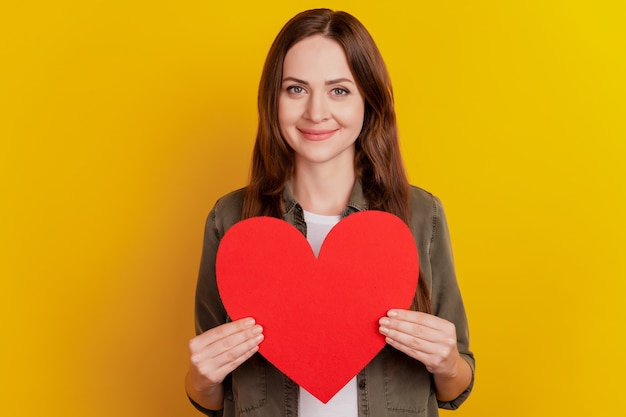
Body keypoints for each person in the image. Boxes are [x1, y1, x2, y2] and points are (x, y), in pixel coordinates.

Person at [185, 8, 475, 417]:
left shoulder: (421, 215)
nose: (316, 112)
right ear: (274, 99)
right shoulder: (231, 219)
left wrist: (447, 363)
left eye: (339, 90)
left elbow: (455, 388)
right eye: (296, 89)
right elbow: (211, 397)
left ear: (368, 101)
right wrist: (200, 379)